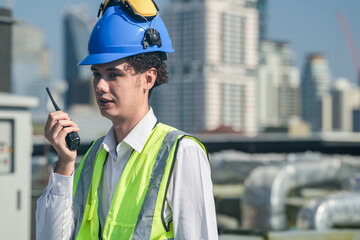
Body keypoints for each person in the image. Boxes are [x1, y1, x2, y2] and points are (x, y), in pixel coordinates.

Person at [36, 0, 218, 239]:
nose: (100, 86)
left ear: (148, 79)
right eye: (96, 74)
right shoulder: (93, 157)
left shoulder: (182, 153)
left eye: (114, 75)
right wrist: (64, 164)